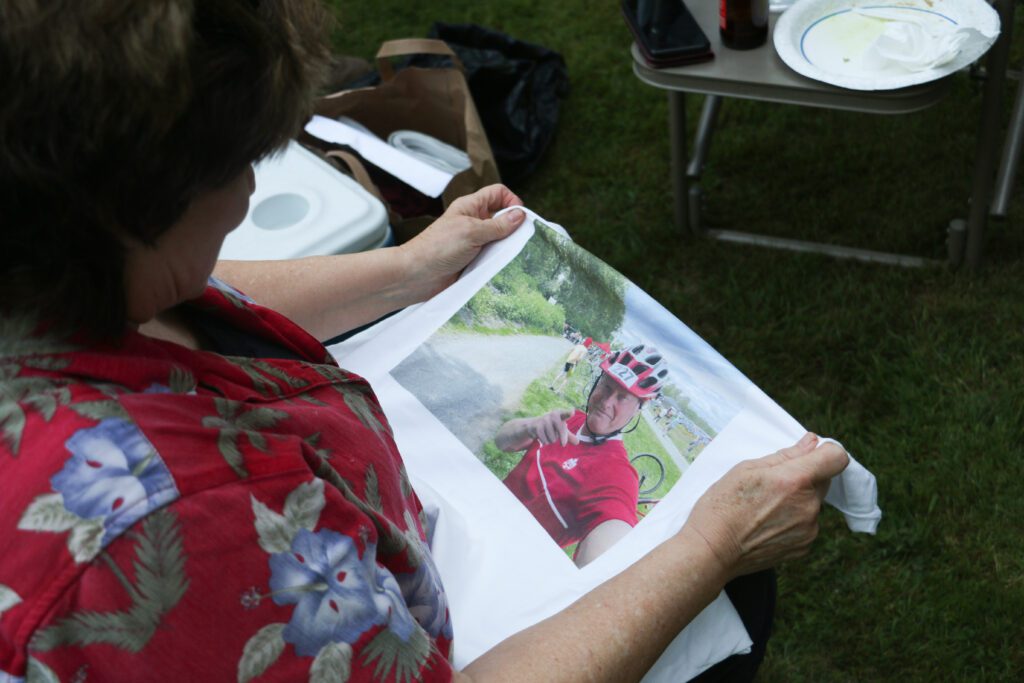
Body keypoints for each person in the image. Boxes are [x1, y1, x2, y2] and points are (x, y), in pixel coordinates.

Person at [0, 2, 848, 682]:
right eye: (231, 166)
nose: (250, 188)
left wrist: (408, 270)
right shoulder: (180, 533)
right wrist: (709, 546)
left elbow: (181, 291)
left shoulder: (53, 267)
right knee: (743, 591)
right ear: (129, 207)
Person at [499, 344, 668, 566]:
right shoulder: (570, 419)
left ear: (638, 408)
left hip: (506, 561)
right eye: (607, 387)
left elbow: (611, 539)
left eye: (623, 397)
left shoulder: (616, 473)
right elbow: (502, 442)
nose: (607, 402)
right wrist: (531, 426)